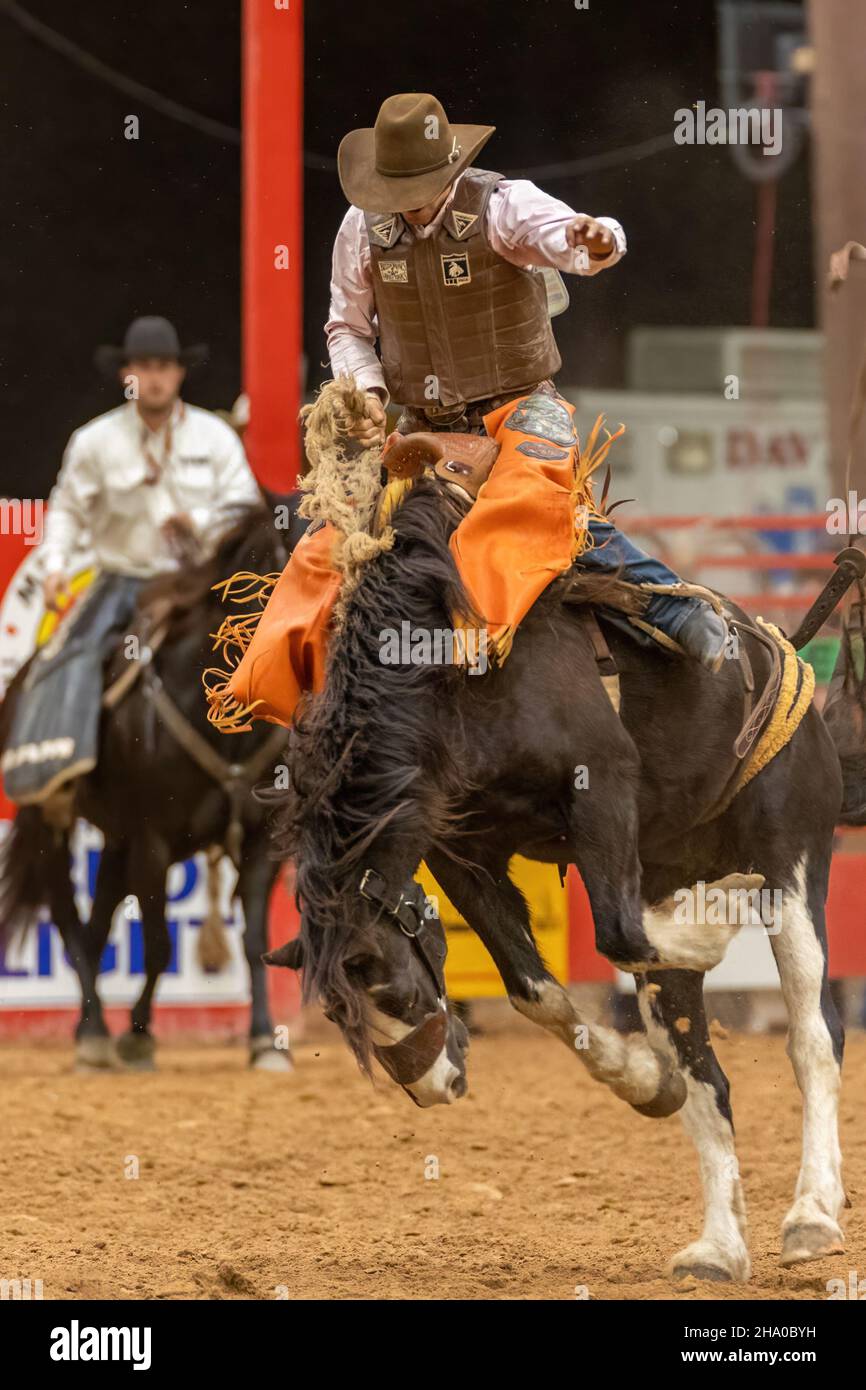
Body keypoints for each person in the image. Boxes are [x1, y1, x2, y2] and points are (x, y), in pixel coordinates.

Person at [326, 92, 729, 669]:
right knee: (336, 543)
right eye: (395, 191)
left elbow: (571, 235)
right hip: (421, 426)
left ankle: (676, 608)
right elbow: (346, 326)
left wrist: (596, 241)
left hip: (519, 408)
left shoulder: (501, 203)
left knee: (536, 507)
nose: (405, 206)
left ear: (448, 170)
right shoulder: (360, 226)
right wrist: (367, 393)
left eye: (414, 190)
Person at [2, 315, 261, 805]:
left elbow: (245, 508)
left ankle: (263, 774)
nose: (155, 376)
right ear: (126, 375)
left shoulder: (215, 438)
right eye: (144, 366)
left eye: (164, 365)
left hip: (199, 582)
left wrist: (201, 524)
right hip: (123, 580)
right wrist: (56, 565)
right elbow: (67, 511)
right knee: (70, 652)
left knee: (258, 650)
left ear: (180, 373)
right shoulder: (94, 441)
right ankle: (58, 770)